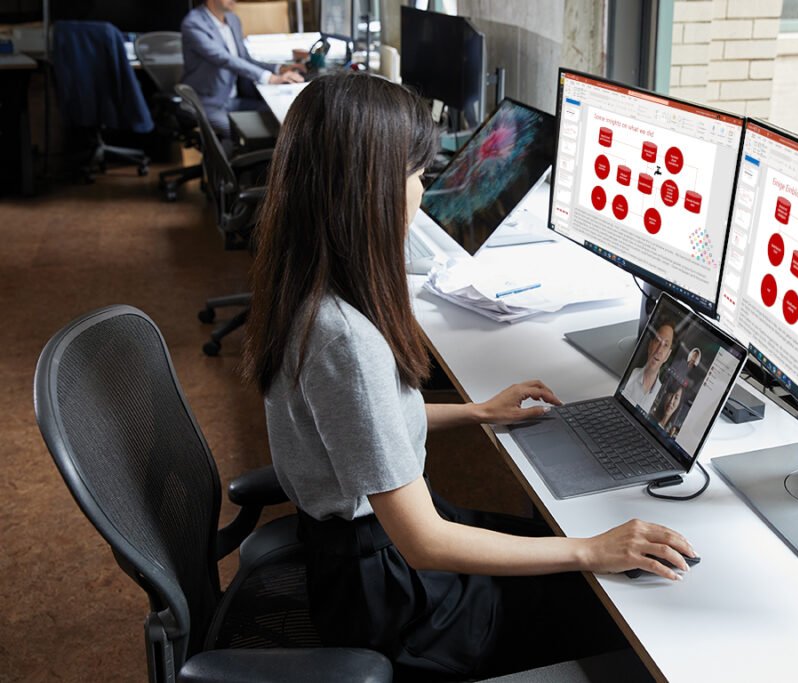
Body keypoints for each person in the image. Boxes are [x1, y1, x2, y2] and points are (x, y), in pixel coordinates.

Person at [242, 73, 697, 680]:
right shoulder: (345, 339)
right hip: (391, 595)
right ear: (367, 190)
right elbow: (425, 543)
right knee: (609, 602)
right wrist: (590, 550)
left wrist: (476, 412)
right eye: (415, 174)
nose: (421, 189)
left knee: (572, 557)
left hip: (369, 551)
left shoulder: (306, 285)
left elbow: (358, 427)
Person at [181, 0, 305, 140]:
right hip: (209, 103)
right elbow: (224, 58)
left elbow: (244, 58)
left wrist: (279, 69)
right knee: (241, 135)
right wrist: (271, 78)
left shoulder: (232, 19)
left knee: (281, 118)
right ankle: (232, 160)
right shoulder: (193, 23)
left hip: (234, 100)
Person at [620, 321, 674, 414]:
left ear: (667, 356)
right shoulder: (629, 374)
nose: (659, 350)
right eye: (658, 340)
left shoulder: (660, 394)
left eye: (665, 345)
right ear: (650, 345)